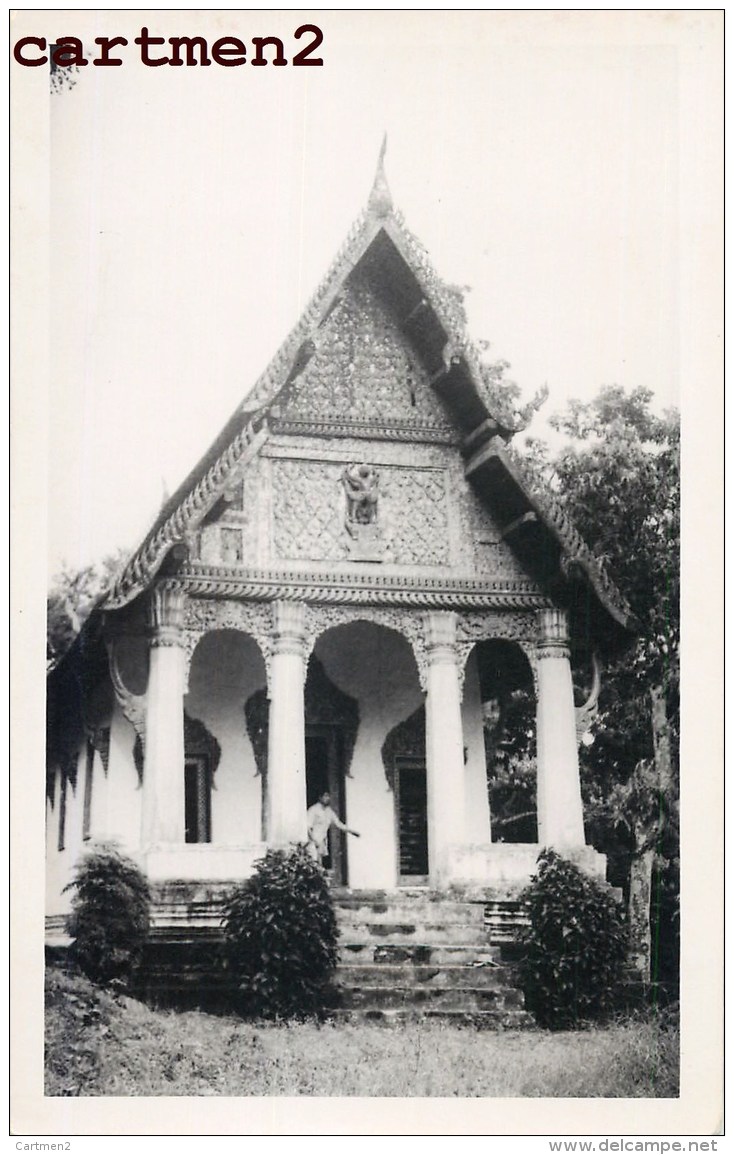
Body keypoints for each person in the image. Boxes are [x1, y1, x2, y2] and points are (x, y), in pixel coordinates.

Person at [306, 791, 360, 868]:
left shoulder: (329, 811)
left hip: (322, 841)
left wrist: (352, 832)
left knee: (319, 865)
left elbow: (339, 824)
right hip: (312, 841)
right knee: (312, 864)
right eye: (325, 796)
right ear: (320, 797)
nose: (327, 798)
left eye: (328, 796)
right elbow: (308, 827)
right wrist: (314, 841)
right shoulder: (313, 809)